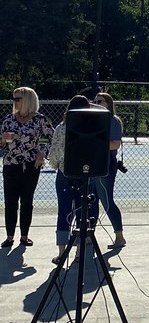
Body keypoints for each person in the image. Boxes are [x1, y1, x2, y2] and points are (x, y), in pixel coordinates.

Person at [1, 87, 54, 249]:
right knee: (10, 201)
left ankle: (24, 236)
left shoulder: (40, 119)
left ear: (27, 100)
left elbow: (48, 136)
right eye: (14, 99)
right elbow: (2, 143)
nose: (14, 102)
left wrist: (41, 153)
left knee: (27, 201)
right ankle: (9, 237)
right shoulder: (9, 119)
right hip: (11, 163)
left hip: (31, 164)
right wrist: (3, 140)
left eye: (18, 99)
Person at [46, 95, 92, 263]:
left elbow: (55, 150)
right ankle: (79, 253)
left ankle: (61, 252)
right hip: (85, 173)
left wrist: (56, 164)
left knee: (64, 212)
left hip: (66, 172)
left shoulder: (62, 127)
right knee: (82, 212)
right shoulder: (92, 127)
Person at [92, 92, 126, 250]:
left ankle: (119, 236)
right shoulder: (93, 120)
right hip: (91, 163)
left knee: (106, 200)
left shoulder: (113, 121)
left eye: (101, 101)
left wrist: (95, 144)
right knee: (90, 200)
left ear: (108, 103)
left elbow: (115, 144)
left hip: (105, 165)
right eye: (95, 101)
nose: (97, 103)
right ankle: (88, 235)